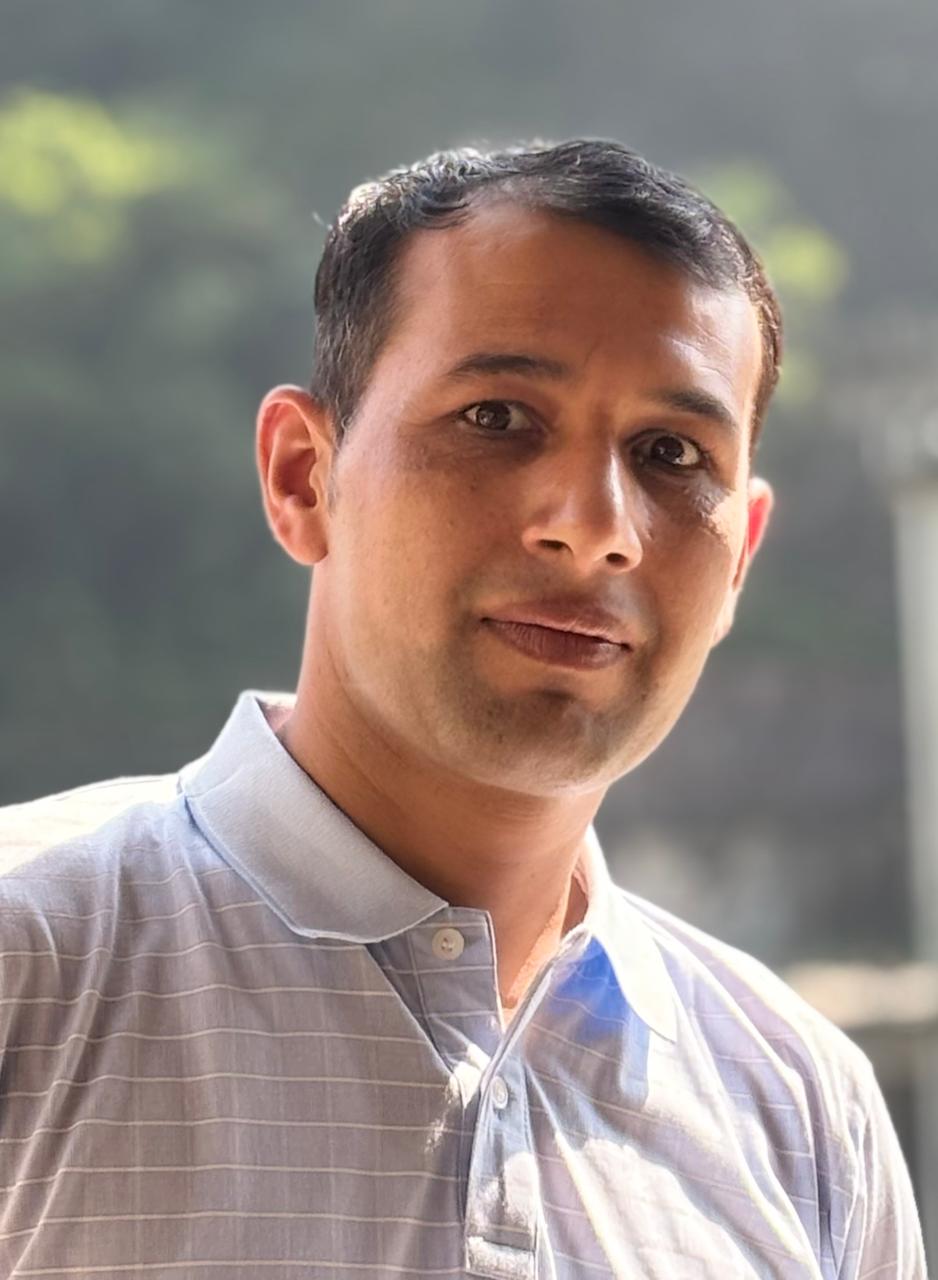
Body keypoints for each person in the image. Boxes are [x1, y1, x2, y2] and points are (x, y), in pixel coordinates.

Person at [0, 140, 925, 1279]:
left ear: (739, 558)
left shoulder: (800, 1110)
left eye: (671, 452)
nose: (594, 526)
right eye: (496, 417)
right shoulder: (33, 962)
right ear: (303, 476)